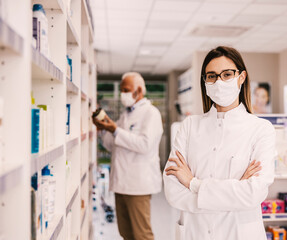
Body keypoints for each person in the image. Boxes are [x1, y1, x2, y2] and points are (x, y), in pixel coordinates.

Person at [163, 46, 276, 240]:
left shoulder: (261, 129)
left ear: (241, 77)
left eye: (227, 74)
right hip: (194, 233)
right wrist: (233, 191)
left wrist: (193, 183)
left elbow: (253, 194)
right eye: (212, 76)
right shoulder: (189, 126)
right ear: (205, 82)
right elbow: (173, 191)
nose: (219, 82)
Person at [93, 72, 163, 240]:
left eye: (126, 90)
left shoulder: (151, 113)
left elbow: (145, 145)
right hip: (121, 184)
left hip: (138, 185)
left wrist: (115, 130)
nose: (123, 94)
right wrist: (103, 129)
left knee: (141, 235)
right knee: (126, 233)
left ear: (139, 91)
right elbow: (112, 145)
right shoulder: (126, 114)